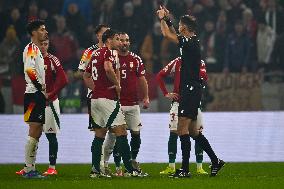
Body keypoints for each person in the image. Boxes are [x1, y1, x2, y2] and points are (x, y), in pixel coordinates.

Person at [157, 6, 225, 177]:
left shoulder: (191, 42)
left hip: (190, 89)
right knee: (194, 132)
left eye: (180, 25)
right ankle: (216, 161)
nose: (178, 27)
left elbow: (167, 35)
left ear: (184, 28)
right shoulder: (190, 41)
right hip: (192, 90)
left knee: (182, 129)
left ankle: (185, 170)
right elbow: (173, 32)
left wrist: (161, 19)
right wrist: (167, 19)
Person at [83, 29, 141, 178]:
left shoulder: (95, 54)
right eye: (116, 38)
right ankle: (130, 170)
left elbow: (86, 75)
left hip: (95, 99)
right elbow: (108, 68)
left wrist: (96, 89)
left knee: (99, 134)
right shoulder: (108, 52)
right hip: (108, 99)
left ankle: (95, 170)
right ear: (109, 40)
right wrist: (117, 84)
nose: (118, 41)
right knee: (121, 132)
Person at [16, 39, 68, 176]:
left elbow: (63, 79)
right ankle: (29, 166)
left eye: (46, 44)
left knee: (51, 135)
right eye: (41, 44)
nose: (44, 47)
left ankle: (52, 167)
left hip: (49, 102)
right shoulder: (32, 57)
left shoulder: (52, 59)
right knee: (33, 132)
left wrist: (51, 94)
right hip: (34, 99)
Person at [102, 32, 149, 176]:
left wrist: (146, 97)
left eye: (127, 40)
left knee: (136, 134)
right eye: (121, 40)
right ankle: (112, 165)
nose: (124, 43)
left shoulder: (136, 59)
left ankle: (133, 160)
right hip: (117, 103)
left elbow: (142, 79)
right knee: (115, 135)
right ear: (117, 42)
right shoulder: (111, 58)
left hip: (133, 103)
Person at [156, 57, 208, 175]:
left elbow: (204, 78)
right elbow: (160, 75)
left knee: (197, 132)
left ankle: (199, 167)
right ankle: (171, 166)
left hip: (194, 102)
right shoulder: (177, 61)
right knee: (174, 131)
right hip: (178, 102)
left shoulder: (199, 61)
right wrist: (166, 93)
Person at [17, 20, 48, 178]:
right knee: (34, 129)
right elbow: (29, 70)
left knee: (37, 131)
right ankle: (29, 169)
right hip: (33, 94)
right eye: (42, 29)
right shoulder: (31, 48)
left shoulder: (36, 49)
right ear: (34, 33)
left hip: (35, 94)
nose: (45, 32)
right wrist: (41, 87)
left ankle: (30, 167)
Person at [77, 24, 109, 130]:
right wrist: (95, 87)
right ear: (98, 35)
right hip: (94, 95)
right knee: (97, 131)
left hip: (111, 96)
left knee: (113, 128)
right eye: (104, 32)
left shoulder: (114, 51)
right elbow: (80, 72)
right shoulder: (89, 51)